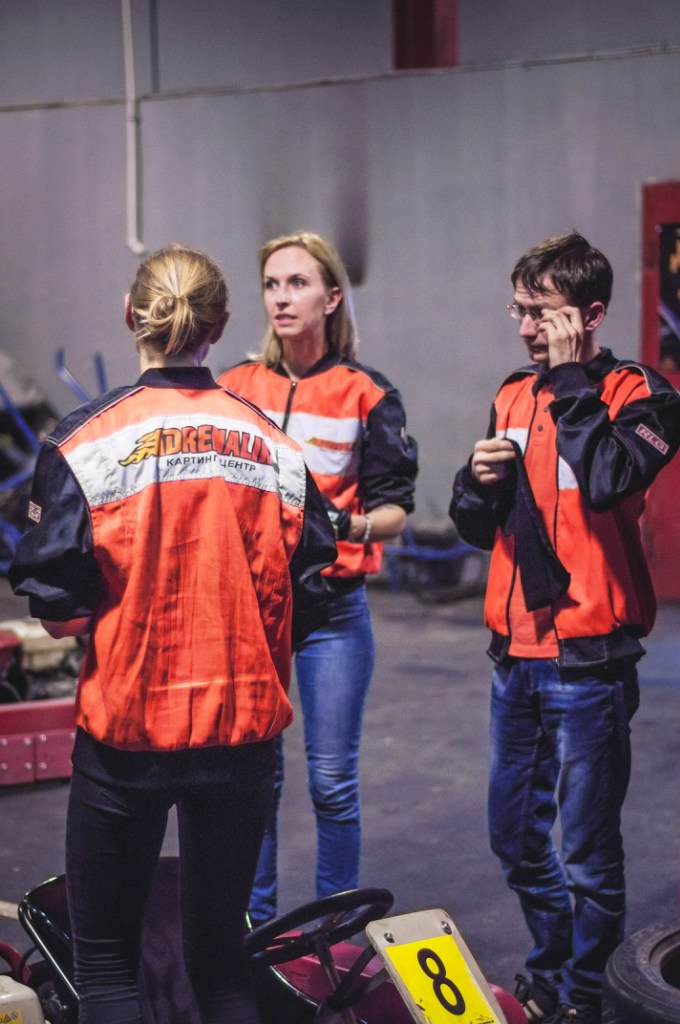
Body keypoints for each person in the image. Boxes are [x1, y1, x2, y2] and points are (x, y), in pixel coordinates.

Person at [9, 244, 337, 1024]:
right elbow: (312, 601)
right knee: (221, 967)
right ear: (219, 327)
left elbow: (57, 611)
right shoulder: (275, 446)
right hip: (243, 739)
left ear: (132, 316)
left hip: (127, 740)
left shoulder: (84, 442)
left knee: (108, 969)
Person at [449, 232, 680, 1024]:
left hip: (590, 663)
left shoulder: (641, 394)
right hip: (514, 657)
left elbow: (610, 477)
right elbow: (477, 527)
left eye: (541, 312)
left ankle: (583, 997)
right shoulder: (513, 394)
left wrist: (575, 378)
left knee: (586, 852)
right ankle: (551, 965)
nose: (525, 328)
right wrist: (474, 483)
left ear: (590, 314)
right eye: (519, 310)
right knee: (515, 839)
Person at [219, 231, 418, 922]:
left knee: (332, 784)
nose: (281, 298)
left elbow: (396, 512)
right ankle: (251, 932)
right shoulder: (235, 388)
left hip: (334, 614)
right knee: (256, 784)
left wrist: (346, 526)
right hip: (254, 616)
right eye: (272, 284)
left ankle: (333, 935)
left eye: (297, 283)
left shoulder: (367, 393)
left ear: (332, 297)